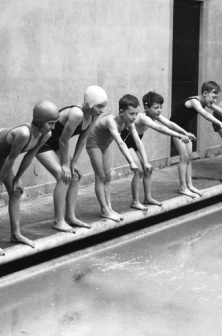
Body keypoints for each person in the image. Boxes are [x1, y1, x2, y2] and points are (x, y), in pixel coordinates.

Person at [0, 101, 59, 255]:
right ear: (40, 122)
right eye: (51, 123)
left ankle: (15, 234)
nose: (53, 128)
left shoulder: (45, 134)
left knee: (16, 191)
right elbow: (11, 160)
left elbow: (29, 156)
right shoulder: (24, 133)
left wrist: (17, 179)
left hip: (3, 157)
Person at [35, 86, 106, 233]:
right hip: (43, 142)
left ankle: (70, 217)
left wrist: (73, 163)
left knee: (74, 176)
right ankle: (58, 221)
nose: (101, 110)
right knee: (64, 177)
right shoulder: (76, 113)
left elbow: (83, 138)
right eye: (99, 106)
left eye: (103, 107)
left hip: (57, 143)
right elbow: (63, 140)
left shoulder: (93, 115)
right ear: (89, 104)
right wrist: (65, 165)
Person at [169, 81, 222, 198]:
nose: (215, 100)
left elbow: (221, 111)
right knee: (184, 157)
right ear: (205, 93)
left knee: (190, 157)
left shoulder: (205, 101)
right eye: (214, 97)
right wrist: (221, 124)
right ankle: (183, 187)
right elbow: (205, 114)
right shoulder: (194, 101)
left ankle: (189, 185)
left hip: (185, 127)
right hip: (175, 127)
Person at [121, 91, 196, 210]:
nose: (159, 110)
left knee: (148, 170)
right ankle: (135, 201)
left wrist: (185, 132)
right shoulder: (143, 117)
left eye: (160, 107)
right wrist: (179, 136)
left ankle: (148, 198)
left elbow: (170, 123)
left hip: (136, 140)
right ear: (146, 108)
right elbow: (159, 128)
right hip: (127, 141)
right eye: (156, 107)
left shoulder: (155, 116)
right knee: (139, 171)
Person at [86, 94, 141, 222]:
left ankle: (109, 208)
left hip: (105, 145)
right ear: (121, 112)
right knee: (100, 176)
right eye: (131, 114)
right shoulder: (111, 120)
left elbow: (137, 140)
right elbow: (120, 142)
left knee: (108, 176)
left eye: (136, 114)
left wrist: (144, 159)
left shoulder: (129, 122)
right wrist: (131, 162)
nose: (134, 117)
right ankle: (105, 210)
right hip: (93, 143)